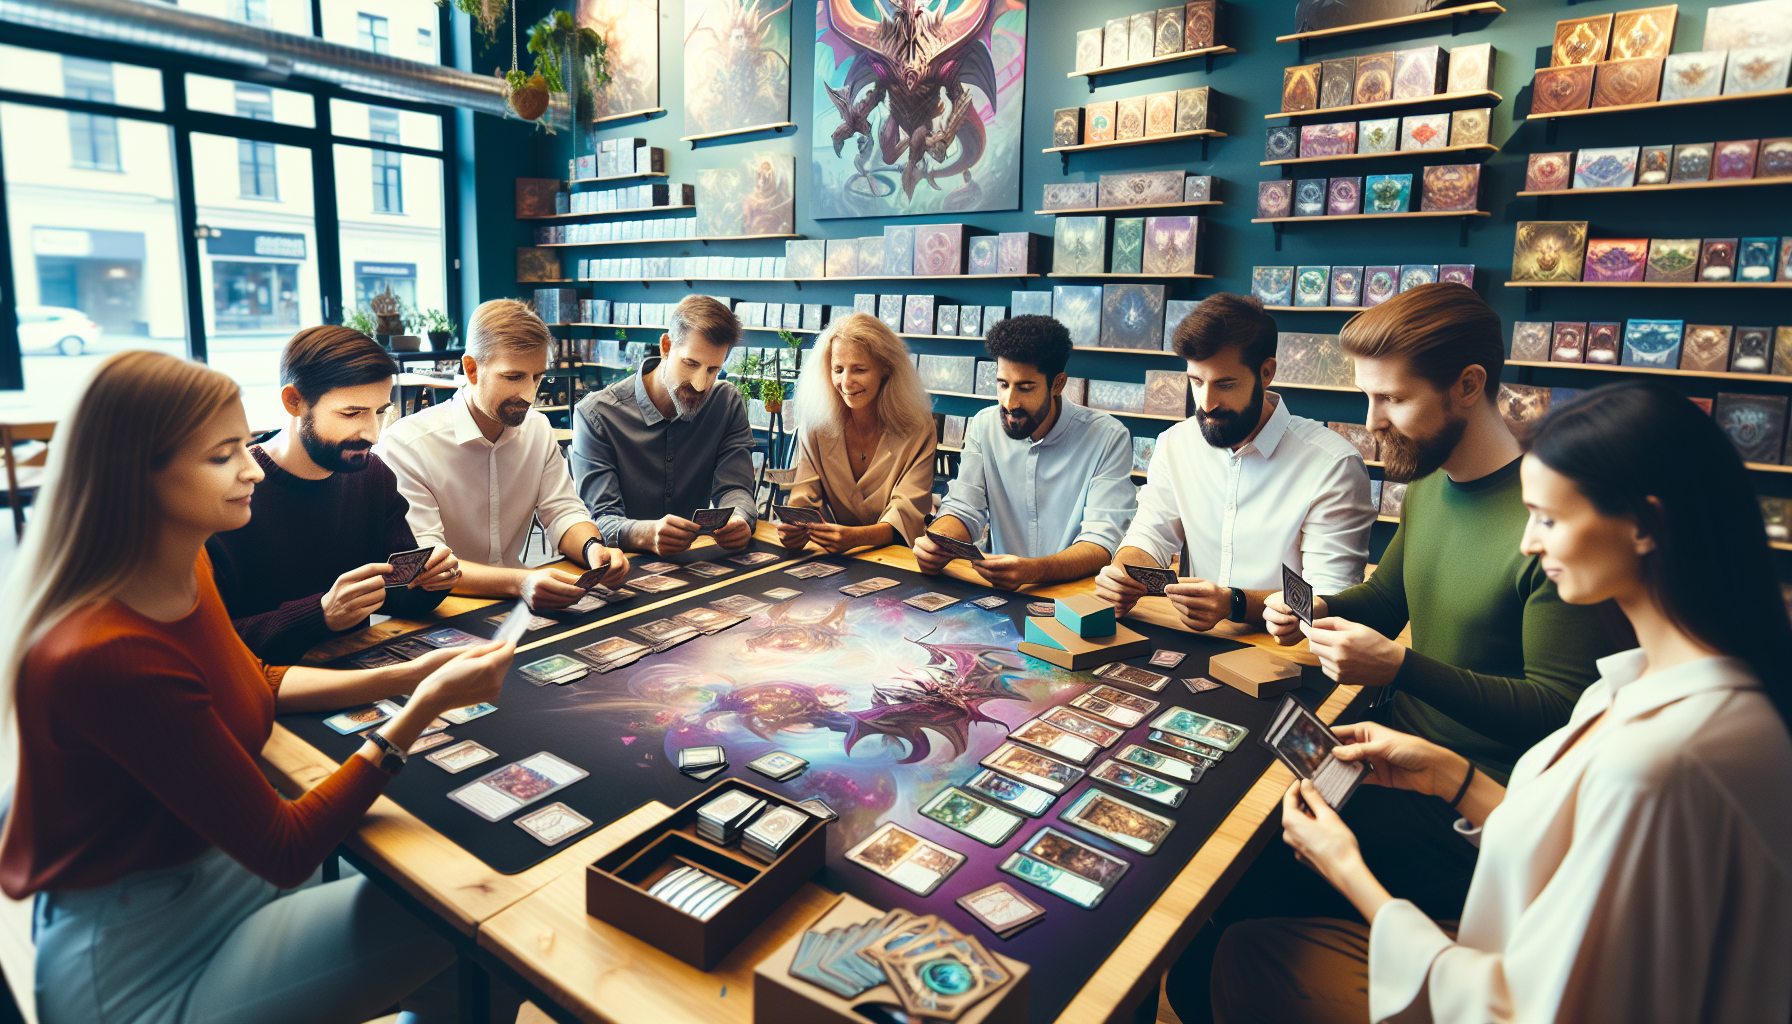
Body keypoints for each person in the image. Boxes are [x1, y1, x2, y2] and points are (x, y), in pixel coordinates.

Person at [1218, 380, 1792, 1024]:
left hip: (1496, 972)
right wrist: (1451, 776)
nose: (1527, 542)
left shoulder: (1661, 757)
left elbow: (1524, 1007)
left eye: (1548, 519)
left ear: (1642, 525)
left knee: (1249, 953)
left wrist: (1345, 869)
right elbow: (1585, 855)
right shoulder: (1657, 684)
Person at [0, 351, 517, 1024]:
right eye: (222, 456)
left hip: (221, 874)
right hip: (139, 958)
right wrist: (418, 712)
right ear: (136, 478)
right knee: (472, 911)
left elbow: (250, 681)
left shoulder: (185, 571)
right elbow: (286, 847)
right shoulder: (108, 652)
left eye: (245, 445)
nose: (251, 468)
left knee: (459, 918)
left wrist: (409, 673)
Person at [1165, 284, 1633, 1024]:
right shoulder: (1429, 489)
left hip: (1480, 812)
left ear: (1469, 386)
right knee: (1210, 852)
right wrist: (1295, 608)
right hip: (1389, 759)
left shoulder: (1549, 520)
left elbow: (1558, 715)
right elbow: (1386, 603)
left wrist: (1402, 668)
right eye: (1367, 398)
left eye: (1392, 401)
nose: (1372, 424)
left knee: (1228, 891)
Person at [1094, 292, 1375, 631]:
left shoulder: (1333, 465)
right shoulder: (1175, 443)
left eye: (1225, 384)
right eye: (1196, 382)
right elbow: (1149, 534)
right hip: (1189, 642)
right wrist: (1122, 574)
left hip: (1289, 656)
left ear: (1266, 372)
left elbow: (1330, 598)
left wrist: (1234, 604)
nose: (1207, 403)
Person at [207, 326, 462, 663]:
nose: (372, 432)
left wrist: (431, 582)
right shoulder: (228, 494)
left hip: (355, 673)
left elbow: (396, 596)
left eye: (381, 411)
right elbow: (209, 642)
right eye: (352, 413)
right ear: (294, 401)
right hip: (261, 692)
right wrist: (320, 613)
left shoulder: (373, 476)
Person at [378, 299, 629, 610]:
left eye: (537, 377)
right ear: (471, 369)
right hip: (442, 608)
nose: (528, 395)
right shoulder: (407, 445)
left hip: (517, 600)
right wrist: (519, 582)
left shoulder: (538, 428)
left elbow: (563, 512)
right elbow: (429, 564)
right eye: (513, 377)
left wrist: (593, 549)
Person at [916, 314, 1137, 589]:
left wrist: (1035, 571)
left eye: (1025, 387)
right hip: (1001, 595)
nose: (1009, 402)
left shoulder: (1108, 437)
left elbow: (1103, 541)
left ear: (1057, 384)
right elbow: (964, 507)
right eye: (1003, 384)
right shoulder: (984, 425)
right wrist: (938, 540)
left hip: (1077, 602)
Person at [570, 295, 757, 556]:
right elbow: (600, 519)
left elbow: (735, 487)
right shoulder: (596, 416)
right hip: (621, 565)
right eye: (691, 364)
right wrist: (646, 534)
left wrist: (739, 518)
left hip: (696, 561)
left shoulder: (726, 402)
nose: (700, 384)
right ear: (666, 347)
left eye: (713, 369)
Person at [778, 313, 935, 554]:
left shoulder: (918, 427)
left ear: (886, 369)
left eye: (859, 369)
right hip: (835, 558)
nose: (846, 382)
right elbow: (804, 498)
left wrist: (856, 538)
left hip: (898, 558)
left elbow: (908, 514)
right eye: (838, 370)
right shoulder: (814, 426)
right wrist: (796, 528)